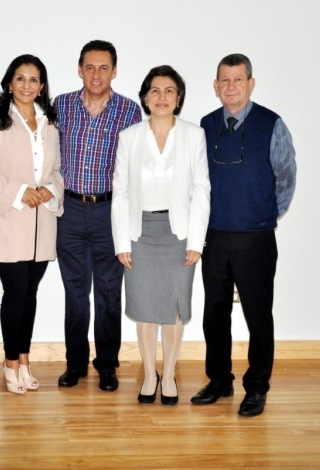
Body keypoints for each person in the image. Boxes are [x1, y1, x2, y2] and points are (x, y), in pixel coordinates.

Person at [191, 53, 297, 417]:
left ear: (251, 83)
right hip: (214, 236)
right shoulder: (204, 126)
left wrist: (263, 215)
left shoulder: (272, 124)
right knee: (214, 313)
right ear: (215, 86)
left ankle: (257, 387)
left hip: (255, 237)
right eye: (224, 80)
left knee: (257, 313)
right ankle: (219, 381)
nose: (231, 87)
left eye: (238, 80)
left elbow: (285, 178)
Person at [112, 66, 210, 405]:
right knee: (144, 308)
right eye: (155, 90)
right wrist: (121, 242)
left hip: (179, 233)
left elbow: (201, 190)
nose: (162, 97)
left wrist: (197, 241)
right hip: (140, 232)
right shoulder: (129, 136)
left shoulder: (193, 135)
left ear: (178, 97)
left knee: (175, 308)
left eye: (170, 91)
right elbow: (120, 192)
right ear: (145, 96)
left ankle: (168, 374)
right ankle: (149, 375)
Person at [0, 54, 63, 394]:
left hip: (42, 225)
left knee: (31, 294)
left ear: (41, 86)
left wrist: (49, 191)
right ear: (10, 83)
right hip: (8, 220)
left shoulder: (51, 124)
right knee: (16, 293)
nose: (27, 85)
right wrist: (21, 192)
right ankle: (10, 363)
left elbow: (55, 172)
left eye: (34, 79)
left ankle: (25, 360)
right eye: (20, 78)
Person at [54, 40, 142, 392]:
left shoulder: (129, 111)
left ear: (115, 71)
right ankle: (74, 364)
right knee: (75, 293)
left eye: (103, 67)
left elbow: (136, 168)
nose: (96, 74)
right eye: (89, 67)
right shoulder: (60, 105)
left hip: (110, 211)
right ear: (79, 69)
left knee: (109, 292)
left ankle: (107, 364)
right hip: (70, 211)